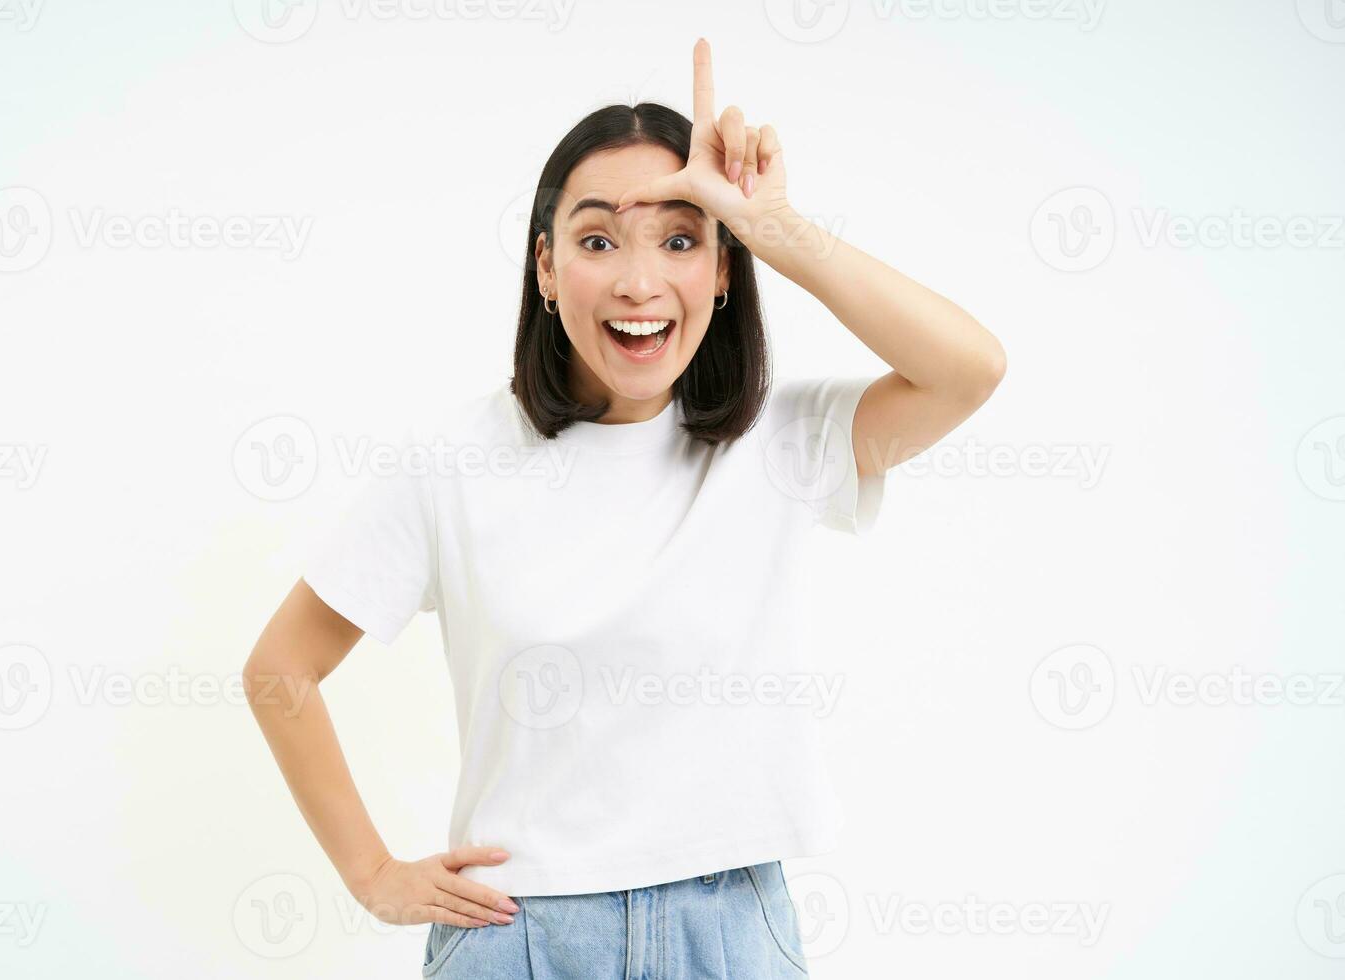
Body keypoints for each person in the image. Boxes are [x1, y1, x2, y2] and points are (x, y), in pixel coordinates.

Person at [244, 37, 1005, 979]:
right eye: (598, 239)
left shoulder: (779, 442)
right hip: (518, 934)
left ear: (724, 270)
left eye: (682, 240)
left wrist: (777, 226)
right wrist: (371, 874)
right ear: (547, 268)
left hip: (728, 932)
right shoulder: (455, 461)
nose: (640, 284)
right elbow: (283, 668)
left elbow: (970, 371)